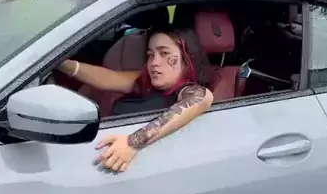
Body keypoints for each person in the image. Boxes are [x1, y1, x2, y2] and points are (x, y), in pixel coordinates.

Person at [58, 24, 214, 172]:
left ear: (186, 59)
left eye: (164, 53)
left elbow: (203, 97)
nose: (154, 63)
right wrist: (60, 63)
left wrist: (132, 143)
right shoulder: (146, 82)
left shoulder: (185, 91)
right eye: (150, 55)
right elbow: (107, 78)